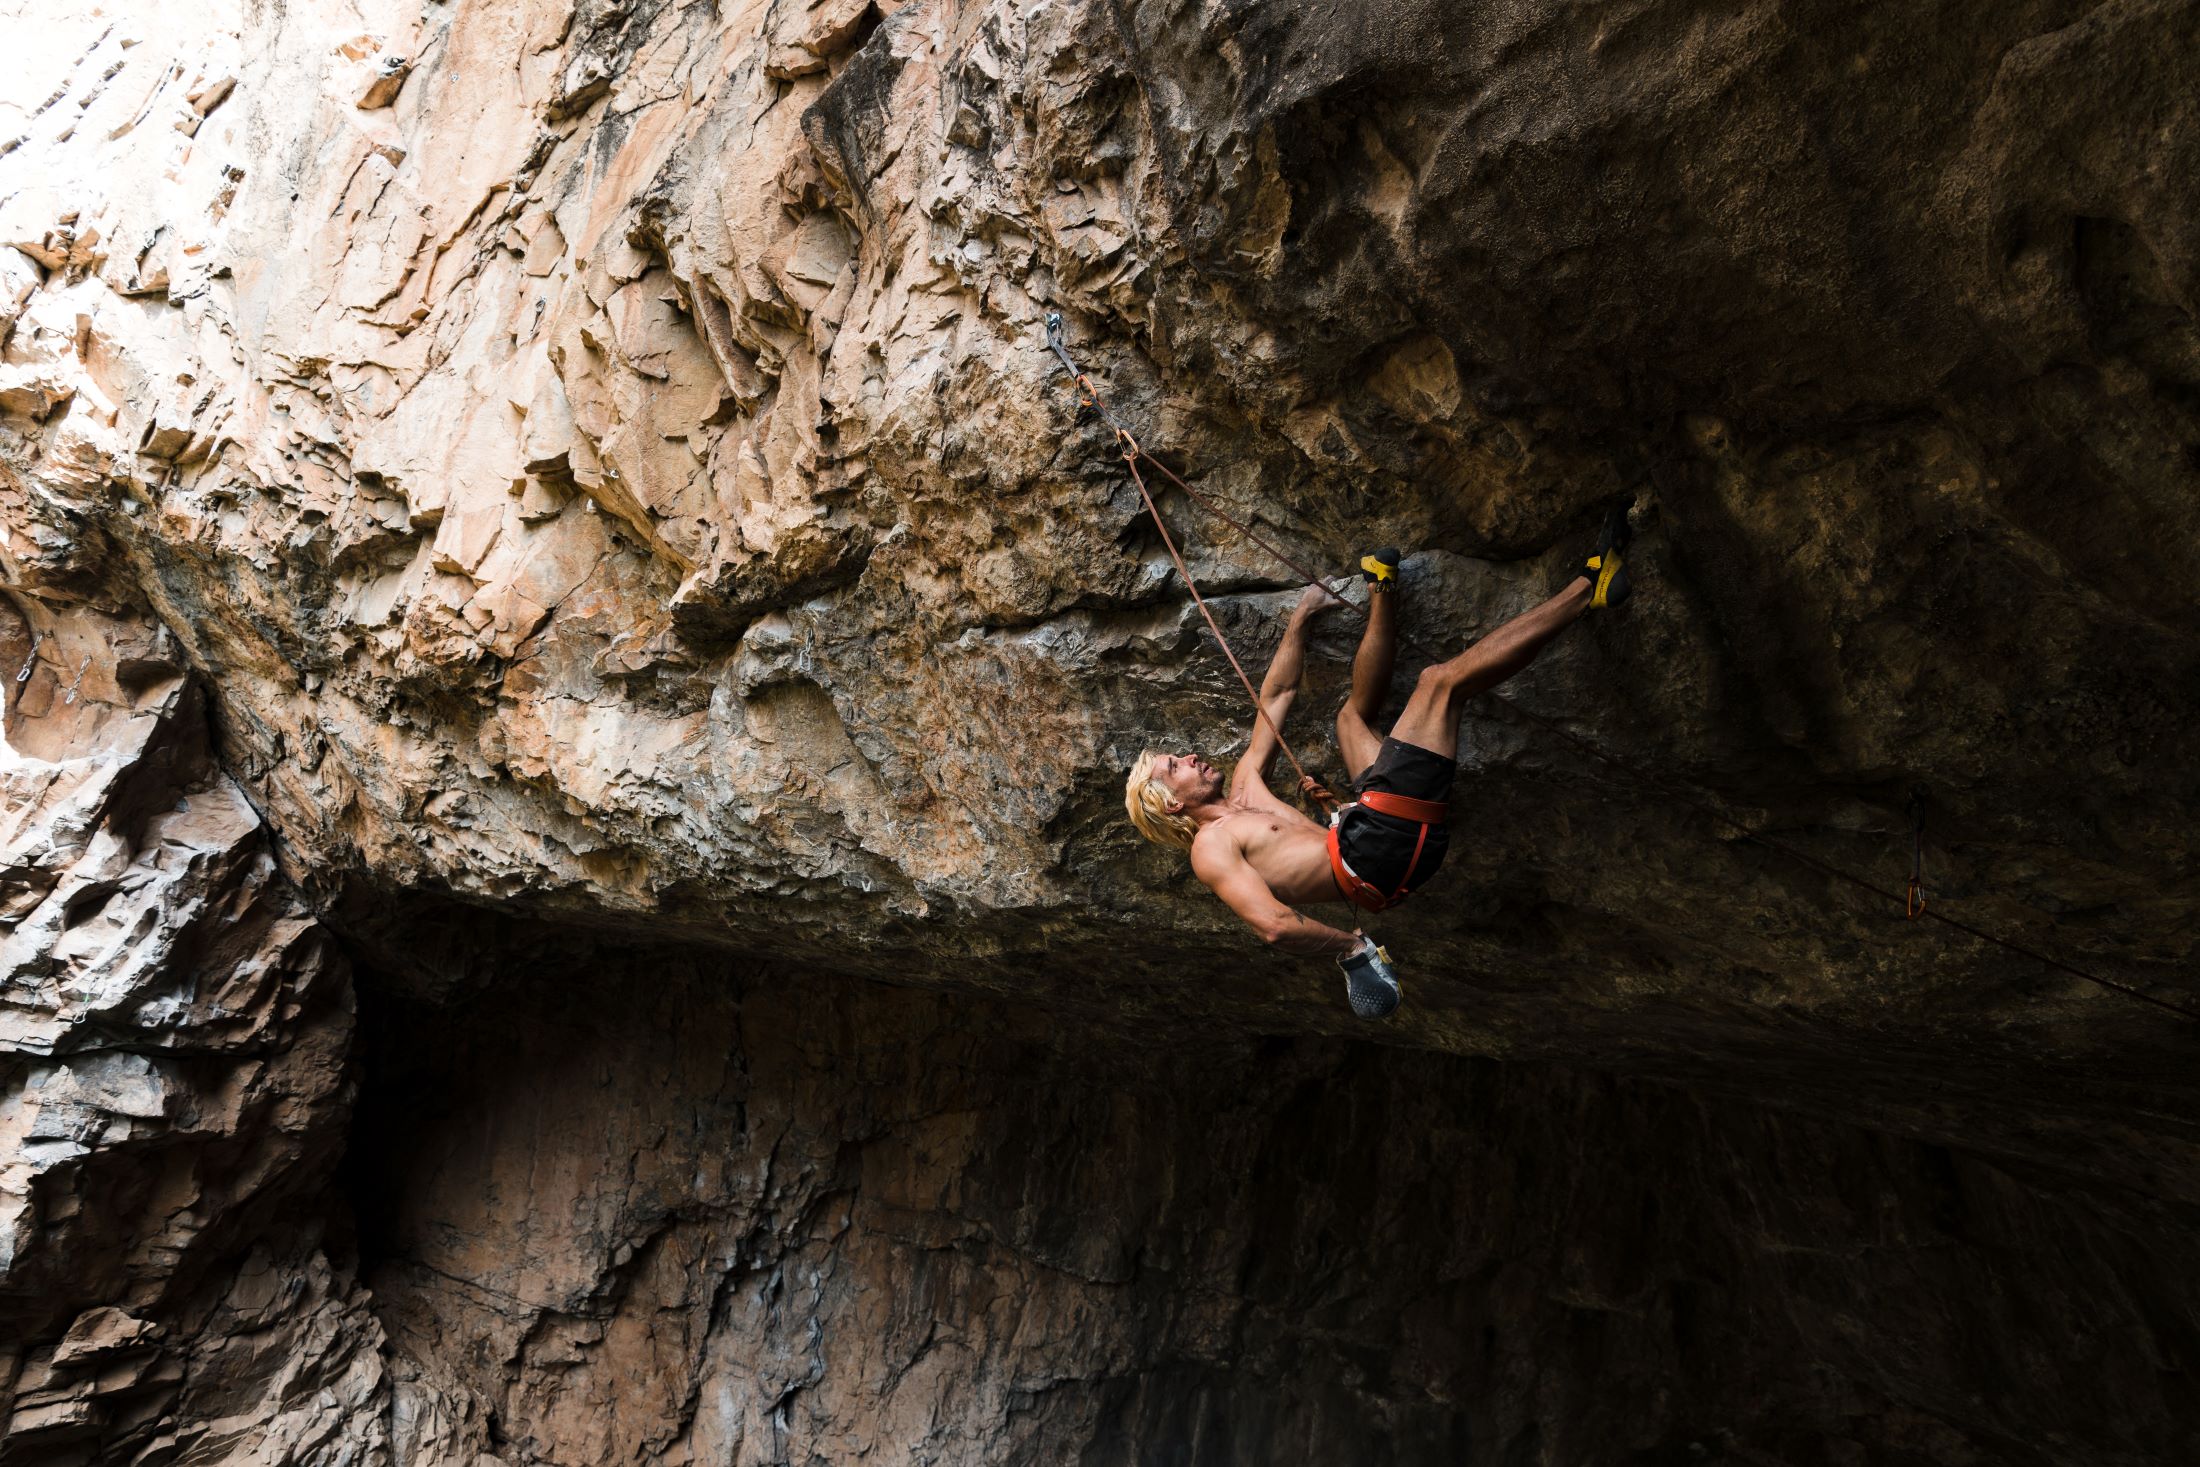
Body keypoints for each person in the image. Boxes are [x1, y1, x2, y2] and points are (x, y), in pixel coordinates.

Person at [1123, 511, 1634, 1019]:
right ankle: (1589, 588)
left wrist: (1301, 616)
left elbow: (1277, 695)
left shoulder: (1246, 789)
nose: (1190, 756)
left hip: (1370, 835)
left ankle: (1381, 591)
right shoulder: (1211, 848)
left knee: (1351, 718)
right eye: (1176, 765)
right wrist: (1351, 950)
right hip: (1374, 850)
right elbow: (1274, 925)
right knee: (1440, 683)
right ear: (1171, 803)